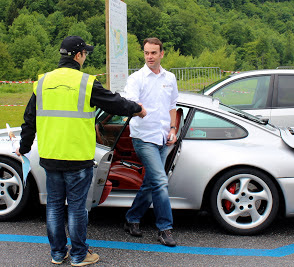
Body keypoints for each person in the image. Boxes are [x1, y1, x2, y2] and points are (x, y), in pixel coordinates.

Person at [16, 35, 146, 266]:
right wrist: (137, 109)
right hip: (77, 158)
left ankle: (58, 253)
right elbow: (115, 103)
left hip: (50, 156)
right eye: (85, 53)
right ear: (78, 55)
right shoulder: (85, 83)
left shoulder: (43, 82)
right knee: (76, 208)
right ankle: (78, 255)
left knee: (54, 206)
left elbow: (29, 119)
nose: (85, 56)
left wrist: (24, 147)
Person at [122, 37, 179, 247]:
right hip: (143, 137)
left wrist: (173, 128)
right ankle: (165, 229)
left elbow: (172, 104)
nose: (149, 57)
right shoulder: (136, 78)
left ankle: (132, 218)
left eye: (153, 53)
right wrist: (138, 109)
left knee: (151, 182)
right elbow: (130, 101)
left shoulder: (170, 78)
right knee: (160, 181)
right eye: (146, 53)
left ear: (162, 54)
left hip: (163, 137)